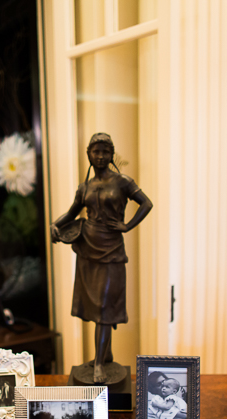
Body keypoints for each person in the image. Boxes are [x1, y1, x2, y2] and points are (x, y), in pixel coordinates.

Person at [50, 133, 153, 383]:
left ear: (111, 154)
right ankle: (106, 355)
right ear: (89, 154)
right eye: (96, 151)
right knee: (95, 305)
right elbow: (72, 213)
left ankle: (98, 363)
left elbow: (146, 204)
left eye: (105, 152)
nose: (100, 156)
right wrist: (55, 225)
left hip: (111, 249)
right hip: (88, 247)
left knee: (105, 305)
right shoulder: (84, 187)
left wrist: (127, 226)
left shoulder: (123, 182)